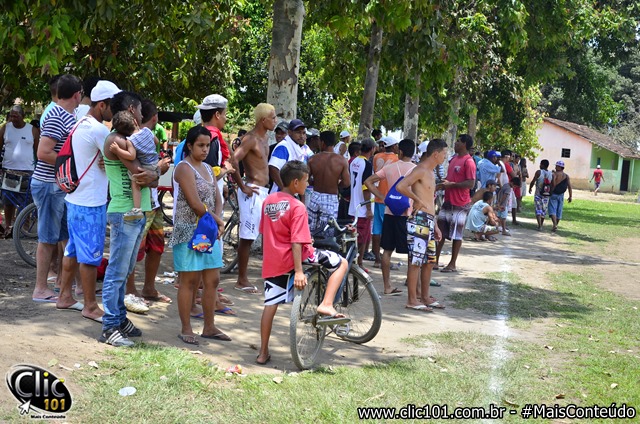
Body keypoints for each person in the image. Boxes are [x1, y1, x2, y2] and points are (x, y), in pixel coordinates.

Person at [256, 160, 348, 365]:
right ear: (296, 182)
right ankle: (326, 304)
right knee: (341, 263)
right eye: (306, 180)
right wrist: (298, 271)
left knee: (270, 306)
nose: (308, 184)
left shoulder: (268, 201)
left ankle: (263, 352)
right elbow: (297, 241)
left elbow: (265, 232)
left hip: (273, 261)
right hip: (297, 257)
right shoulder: (297, 206)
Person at [55, 80, 121, 322]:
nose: (117, 112)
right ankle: (90, 306)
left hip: (74, 198)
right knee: (91, 256)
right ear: (102, 105)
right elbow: (118, 158)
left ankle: (65, 296)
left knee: (72, 250)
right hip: (90, 202)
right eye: (114, 106)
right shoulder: (99, 131)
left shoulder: (80, 123)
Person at [99, 90, 160, 347]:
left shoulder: (126, 139)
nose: (143, 114)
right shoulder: (115, 139)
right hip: (125, 212)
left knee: (125, 271)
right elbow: (142, 175)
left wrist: (155, 172)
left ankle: (120, 318)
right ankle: (110, 326)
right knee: (116, 271)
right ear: (132, 110)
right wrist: (157, 170)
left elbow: (149, 173)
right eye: (140, 109)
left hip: (135, 212)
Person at [171, 126, 227, 345]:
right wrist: (218, 221)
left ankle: (209, 327)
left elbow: (217, 198)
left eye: (207, 146)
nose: (205, 150)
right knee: (190, 280)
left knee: (212, 280)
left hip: (208, 231)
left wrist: (217, 219)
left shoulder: (207, 168)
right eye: (200, 145)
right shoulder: (183, 168)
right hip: (188, 231)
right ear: (190, 146)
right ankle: (186, 328)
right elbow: (195, 204)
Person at [31, 74, 82, 303]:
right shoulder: (56, 115)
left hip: (58, 186)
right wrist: (71, 165)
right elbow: (43, 152)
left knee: (64, 237)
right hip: (49, 184)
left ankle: (67, 286)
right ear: (77, 95)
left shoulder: (66, 115)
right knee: (47, 238)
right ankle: (40, 289)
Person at [125, 99, 172, 307]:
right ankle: (131, 289)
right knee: (135, 248)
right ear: (155, 118)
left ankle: (148, 288)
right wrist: (160, 168)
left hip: (153, 203)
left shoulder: (140, 137)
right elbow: (143, 176)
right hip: (142, 202)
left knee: (156, 245)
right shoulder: (134, 138)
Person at [229, 103, 277, 293]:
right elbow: (233, 160)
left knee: (264, 234)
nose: (275, 121)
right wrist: (242, 186)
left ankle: (262, 274)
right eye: (273, 118)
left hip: (263, 192)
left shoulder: (265, 138)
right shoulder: (250, 139)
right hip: (253, 191)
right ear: (263, 120)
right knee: (247, 237)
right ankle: (241, 280)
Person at [396, 138, 448, 311]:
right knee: (416, 261)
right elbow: (401, 186)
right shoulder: (420, 170)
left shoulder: (431, 172)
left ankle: (425, 296)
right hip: (419, 220)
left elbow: (430, 202)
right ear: (436, 154)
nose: (445, 157)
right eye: (444, 154)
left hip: (429, 220)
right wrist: (416, 199)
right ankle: (412, 299)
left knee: (429, 261)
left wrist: (436, 225)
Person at [364, 138, 416, 295]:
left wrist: (382, 197)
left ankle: (387, 286)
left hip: (390, 211)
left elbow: (368, 182)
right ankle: (412, 284)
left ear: (400, 151)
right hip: (407, 214)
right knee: (411, 253)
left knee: (387, 251)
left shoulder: (390, 168)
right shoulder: (416, 169)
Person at [435, 134, 476, 273]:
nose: (456, 143)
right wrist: (442, 184)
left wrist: (451, 185)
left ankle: (452, 263)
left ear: (464, 144)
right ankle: (435, 260)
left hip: (460, 203)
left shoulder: (468, 162)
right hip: (448, 201)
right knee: (440, 231)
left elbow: (470, 183)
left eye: (458, 141)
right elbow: (450, 178)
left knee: (457, 234)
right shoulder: (453, 159)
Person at [108, 111, 158, 220]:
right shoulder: (147, 131)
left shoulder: (130, 141)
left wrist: (117, 150)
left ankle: (136, 209)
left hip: (145, 165)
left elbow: (131, 156)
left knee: (135, 183)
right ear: (135, 121)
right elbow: (156, 141)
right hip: (154, 162)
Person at [0, 105, 39, 237]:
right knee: (8, 200)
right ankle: (8, 226)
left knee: (25, 201)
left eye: (16, 116)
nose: (13, 118)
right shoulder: (5, 128)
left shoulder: (32, 130)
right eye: (11, 116)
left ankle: (23, 228)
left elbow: (37, 152)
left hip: (27, 171)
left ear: (23, 116)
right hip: (9, 170)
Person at [306, 130, 350, 236]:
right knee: (327, 232)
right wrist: (335, 184)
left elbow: (306, 178)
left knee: (310, 230)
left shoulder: (313, 159)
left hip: (315, 196)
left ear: (322, 142)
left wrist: (315, 182)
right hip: (331, 198)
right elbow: (347, 183)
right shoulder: (341, 161)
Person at [370, 136, 399, 268]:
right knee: (388, 230)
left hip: (378, 196)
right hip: (390, 198)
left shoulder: (376, 157)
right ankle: (386, 259)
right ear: (393, 146)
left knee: (376, 229)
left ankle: (377, 259)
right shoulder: (396, 159)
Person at [349, 138, 376, 268]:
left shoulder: (354, 161)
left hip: (353, 205)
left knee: (356, 237)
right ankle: (358, 264)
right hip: (362, 208)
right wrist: (368, 208)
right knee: (362, 238)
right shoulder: (367, 164)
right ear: (372, 149)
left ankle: (356, 263)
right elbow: (366, 188)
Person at [269, 119, 307, 193]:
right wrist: (284, 189)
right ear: (289, 132)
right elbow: (273, 168)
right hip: (280, 194)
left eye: (303, 133)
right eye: (298, 132)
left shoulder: (295, 146)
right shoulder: (283, 147)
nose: (301, 136)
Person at [528, 159, 553, 231]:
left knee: (538, 209)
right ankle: (541, 224)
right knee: (544, 210)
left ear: (542, 165)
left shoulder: (539, 172)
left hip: (538, 194)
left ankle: (539, 225)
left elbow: (533, 181)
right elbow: (552, 184)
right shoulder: (551, 174)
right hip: (546, 194)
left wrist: (530, 188)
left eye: (540, 164)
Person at [549, 160, 572, 232]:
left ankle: (554, 224)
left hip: (554, 194)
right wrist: (570, 196)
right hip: (561, 195)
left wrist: (550, 192)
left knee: (552, 209)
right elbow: (569, 187)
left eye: (556, 166)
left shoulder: (554, 174)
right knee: (559, 210)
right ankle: (555, 225)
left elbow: (553, 184)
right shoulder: (566, 176)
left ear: (559, 167)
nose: (555, 167)